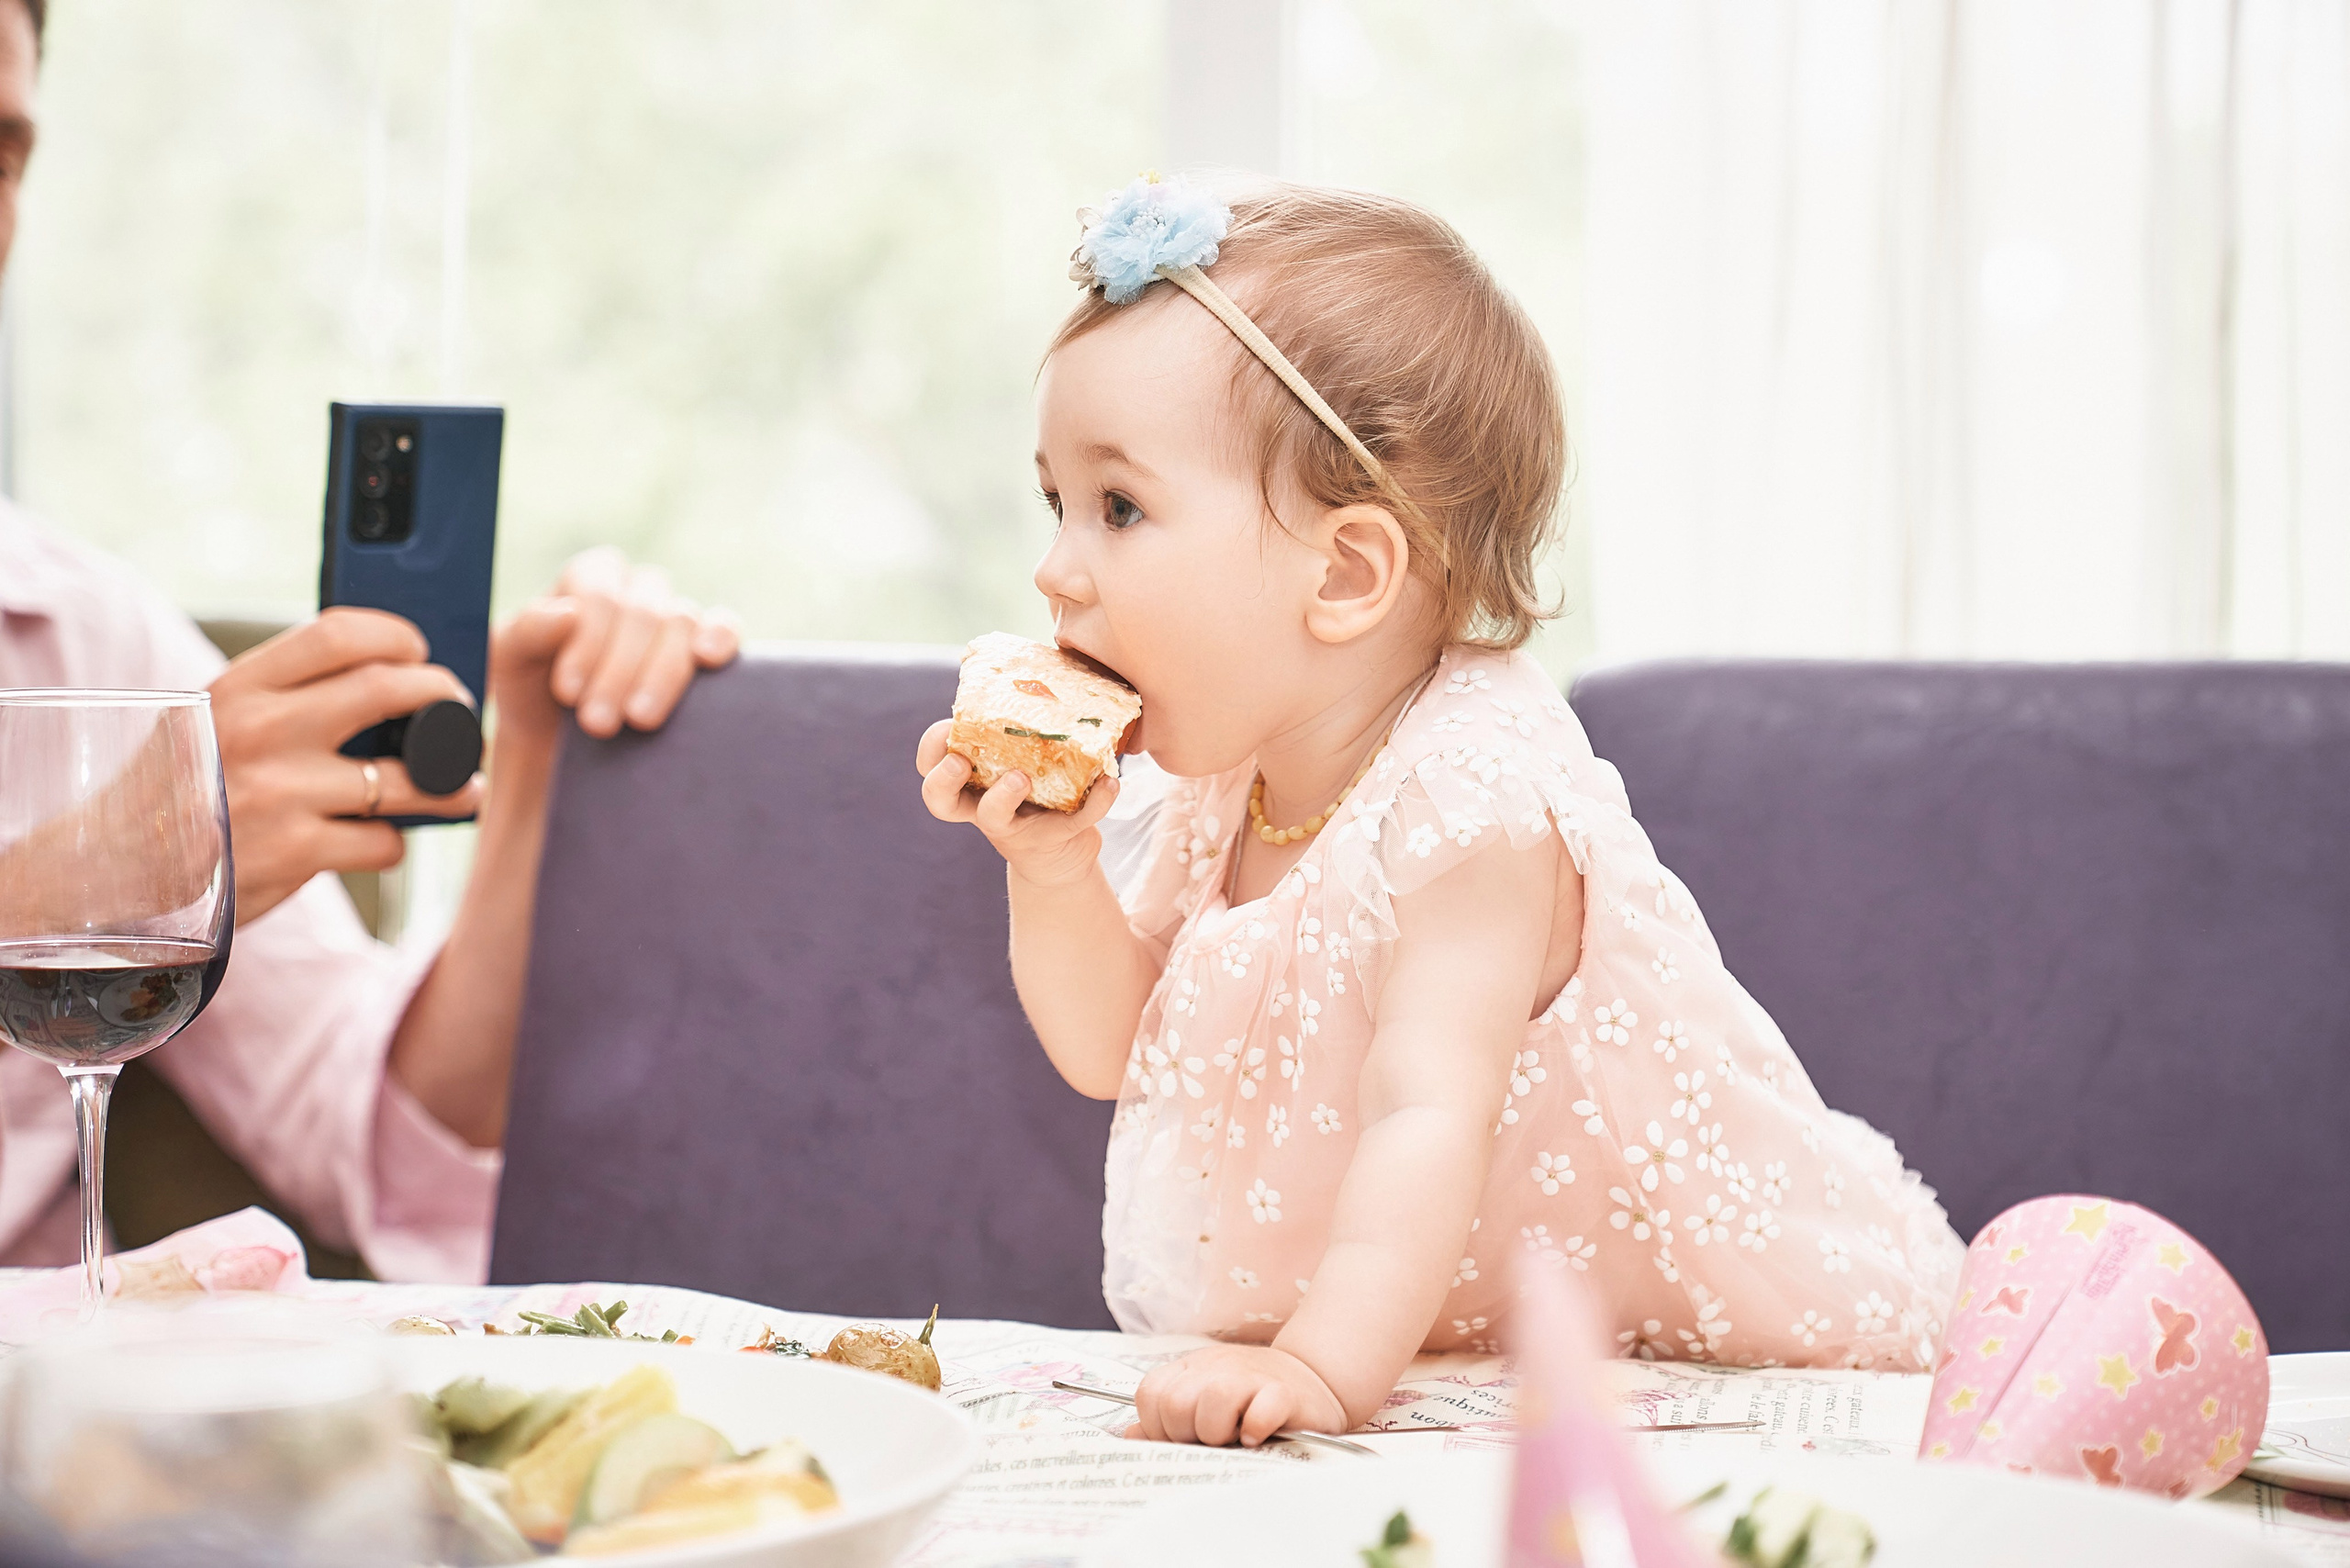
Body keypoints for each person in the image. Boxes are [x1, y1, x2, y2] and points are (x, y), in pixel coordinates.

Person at [917, 176, 1964, 1447]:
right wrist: (1055, 867)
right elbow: (1111, 1050)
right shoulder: (1223, 780)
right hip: (1474, 1350)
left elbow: (1427, 1116)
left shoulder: (1472, 810)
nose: (1054, 568)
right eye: (1056, 503)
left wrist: (1319, 1371)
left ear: (1348, 574)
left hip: (1735, 1342)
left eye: (1120, 508)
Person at [0, 0, 737, 1279]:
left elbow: (378, 1143)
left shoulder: (89, 637)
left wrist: (541, 796)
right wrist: (52, 891)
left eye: (1, 154)